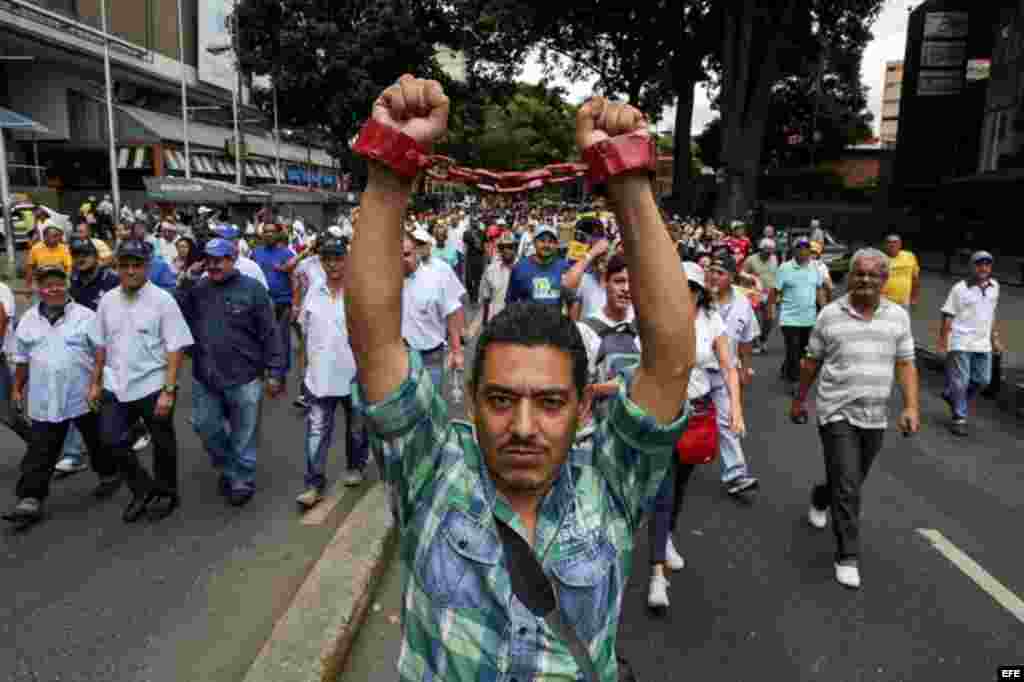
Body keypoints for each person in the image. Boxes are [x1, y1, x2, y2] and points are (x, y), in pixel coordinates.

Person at [345, 75, 694, 682]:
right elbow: (376, 340)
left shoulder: (612, 485)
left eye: (551, 402)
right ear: (471, 402)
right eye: (501, 400)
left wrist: (630, 179)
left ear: (585, 407)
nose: (524, 428)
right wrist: (390, 165)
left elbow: (669, 362)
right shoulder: (431, 469)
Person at [792, 248, 920, 589]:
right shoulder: (830, 315)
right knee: (848, 483)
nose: (865, 279)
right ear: (849, 277)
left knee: (849, 479)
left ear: (884, 279)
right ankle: (847, 555)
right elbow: (810, 361)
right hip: (836, 410)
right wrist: (800, 399)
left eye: (873, 274)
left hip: (875, 415)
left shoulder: (898, 317)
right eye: (858, 274)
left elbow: (906, 363)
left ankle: (822, 495)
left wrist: (910, 407)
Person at [3, 265, 121, 529]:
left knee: (97, 442)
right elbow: (21, 361)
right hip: (45, 398)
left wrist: (98, 385)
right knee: (40, 450)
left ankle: (110, 474)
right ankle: (30, 499)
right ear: (38, 289)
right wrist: (16, 389)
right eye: (47, 285)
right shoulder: (28, 321)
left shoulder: (86, 316)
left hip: (84, 395)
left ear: (66, 285)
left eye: (58, 283)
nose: (53, 289)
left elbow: (102, 354)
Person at [89, 239, 194, 522]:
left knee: (162, 443)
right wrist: (96, 382)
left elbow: (176, 347)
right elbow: (100, 344)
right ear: (117, 267)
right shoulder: (108, 301)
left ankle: (166, 493)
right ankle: (142, 489)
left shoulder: (163, 300)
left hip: (153, 385)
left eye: (137, 265)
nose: (131, 271)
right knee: (110, 440)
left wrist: (169, 390)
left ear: (147, 267)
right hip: (115, 384)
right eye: (125, 265)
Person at [176, 239, 286, 506]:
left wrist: (275, 371)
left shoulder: (253, 290)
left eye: (220, 259)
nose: (213, 265)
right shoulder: (198, 289)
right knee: (205, 425)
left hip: (245, 375)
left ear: (233, 259)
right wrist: (187, 281)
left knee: (244, 432)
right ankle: (228, 467)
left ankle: (241, 479)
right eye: (209, 260)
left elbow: (270, 332)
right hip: (207, 375)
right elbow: (177, 312)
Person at [296, 236, 370, 507]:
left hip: (354, 377)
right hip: (319, 378)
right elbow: (304, 333)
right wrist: (303, 372)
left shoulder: (360, 292)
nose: (332, 264)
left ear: (346, 259)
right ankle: (313, 485)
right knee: (316, 432)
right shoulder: (314, 291)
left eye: (337, 258)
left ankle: (356, 466)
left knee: (357, 430)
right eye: (327, 259)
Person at [705, 252, 758, 494]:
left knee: (727, 421)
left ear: (731, 277)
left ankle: (736, 475)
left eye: (720, 272)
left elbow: (746, 339)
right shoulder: (698, 297)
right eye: (712, 270)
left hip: (726, 372)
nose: (714, 276)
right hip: (694, 372)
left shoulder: (743, 302)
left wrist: (745, 367)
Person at [938, 250, 1003, 437]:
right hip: (961, 340)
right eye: (979, 264)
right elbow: (948, 314)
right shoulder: (960, 288)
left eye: (987, 264)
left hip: (982, 342)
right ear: (971, 266)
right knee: (961, 380)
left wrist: (995, 338)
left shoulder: (995, 287)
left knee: (983, 380)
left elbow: (991, 314)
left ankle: (953, 397)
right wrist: (943, 341)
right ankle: (959, 417)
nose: (983, 268)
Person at [398, 232, 466, 390]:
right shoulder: (389, 280)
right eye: (397, 255)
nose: (402, 260)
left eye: (406, 254)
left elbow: (452, 312)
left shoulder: (437, 275)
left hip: (430, 357)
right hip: (400, 358)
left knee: (431, 406)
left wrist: (456, 351)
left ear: (416, 252)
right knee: (406, 409)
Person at [776, 236, 826, 392]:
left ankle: (786, 369)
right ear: (794, 250)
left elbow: (818, 290)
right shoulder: (784, 268)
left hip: (809, 318)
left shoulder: (815, 268)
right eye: (800, 248)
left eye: (807, 248)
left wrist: (824, 310)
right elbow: (775, 290)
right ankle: (794, 382)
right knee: (793, 348)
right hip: (789, 318)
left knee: (803, 351)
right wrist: (771, 310)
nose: (804, 251)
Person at [251, 222, 296, 376]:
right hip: (260, 302)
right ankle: (262, 367)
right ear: (262, 234)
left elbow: (295, 279)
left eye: (272, 232)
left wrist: (295, 303)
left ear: (278, 234)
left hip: (282, 302)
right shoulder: (256, 253)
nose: (269, 234)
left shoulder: (288, 254)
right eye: (266, 232)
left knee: (281, 337)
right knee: (260, 336)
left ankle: (280, 371)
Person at [505, 223, 572, 309]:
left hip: (556, 321)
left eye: (551, 242)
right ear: (534, 242)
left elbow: (572, 300)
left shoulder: (564, 267)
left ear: (556, 245)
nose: (546, 245)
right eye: (542, 241)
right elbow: (510, 301)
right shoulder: (520, 268)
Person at [0, 279, 29, 442]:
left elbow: (2, 320)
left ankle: (41, 451)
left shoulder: (1, 289)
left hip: (2, 357)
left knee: (7, 414)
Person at [743, 237, 779, 353]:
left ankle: (763, 338)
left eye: (771, 250)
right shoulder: (751, 260)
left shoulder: (774, 259)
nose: (769, 253)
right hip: (754, 292)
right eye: (767, 250)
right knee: (755, 320)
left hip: (770, 292)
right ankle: (755, 343)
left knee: (771, 319)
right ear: (761, 249)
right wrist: (749, 279)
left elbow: (776, 274)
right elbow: (742, 273)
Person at [478, 230, 517, 327]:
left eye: (510, 247)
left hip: (517, 322)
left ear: (515, 248)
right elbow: (486, 298)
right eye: (502, 247)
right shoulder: (491, 270)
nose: (506, 250)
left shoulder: (524, 269)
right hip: (496, 321)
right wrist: (485, 323)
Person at [25, 221, 73, 296]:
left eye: (58, 236)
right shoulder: (35, 248)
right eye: (54, 236)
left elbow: (68, 268)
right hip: (41, 281)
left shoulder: (64, 248)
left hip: (59, 281)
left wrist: (66, 282)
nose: (57, 238)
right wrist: (28, 286)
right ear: (45, 237)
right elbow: (30, 268)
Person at [880, 234, 920, 309]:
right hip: (884, 301)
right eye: (889, 242)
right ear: (884, 245)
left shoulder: (910, 256)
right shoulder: (879, 258)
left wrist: (914, 297)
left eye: (895, 242)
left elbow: (915, 279)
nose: (892, 244)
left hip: (904, 302)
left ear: (900, 244)